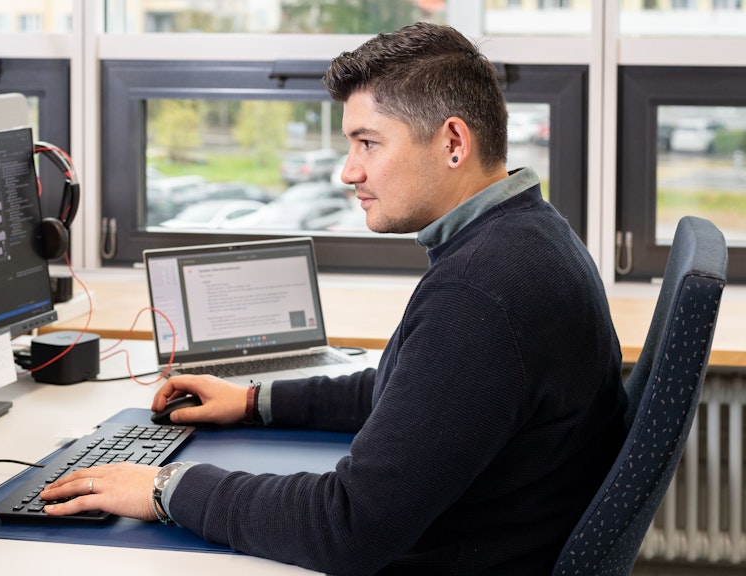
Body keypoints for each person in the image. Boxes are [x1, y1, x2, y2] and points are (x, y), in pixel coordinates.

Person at [40, 22, 628, 575]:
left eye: (368, 143)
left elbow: (347, 526)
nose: (347, 173)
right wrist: (254, 400)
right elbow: (411, 392)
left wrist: (166, 488)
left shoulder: (480, 290)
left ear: (453, 141)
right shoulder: (530, 232)